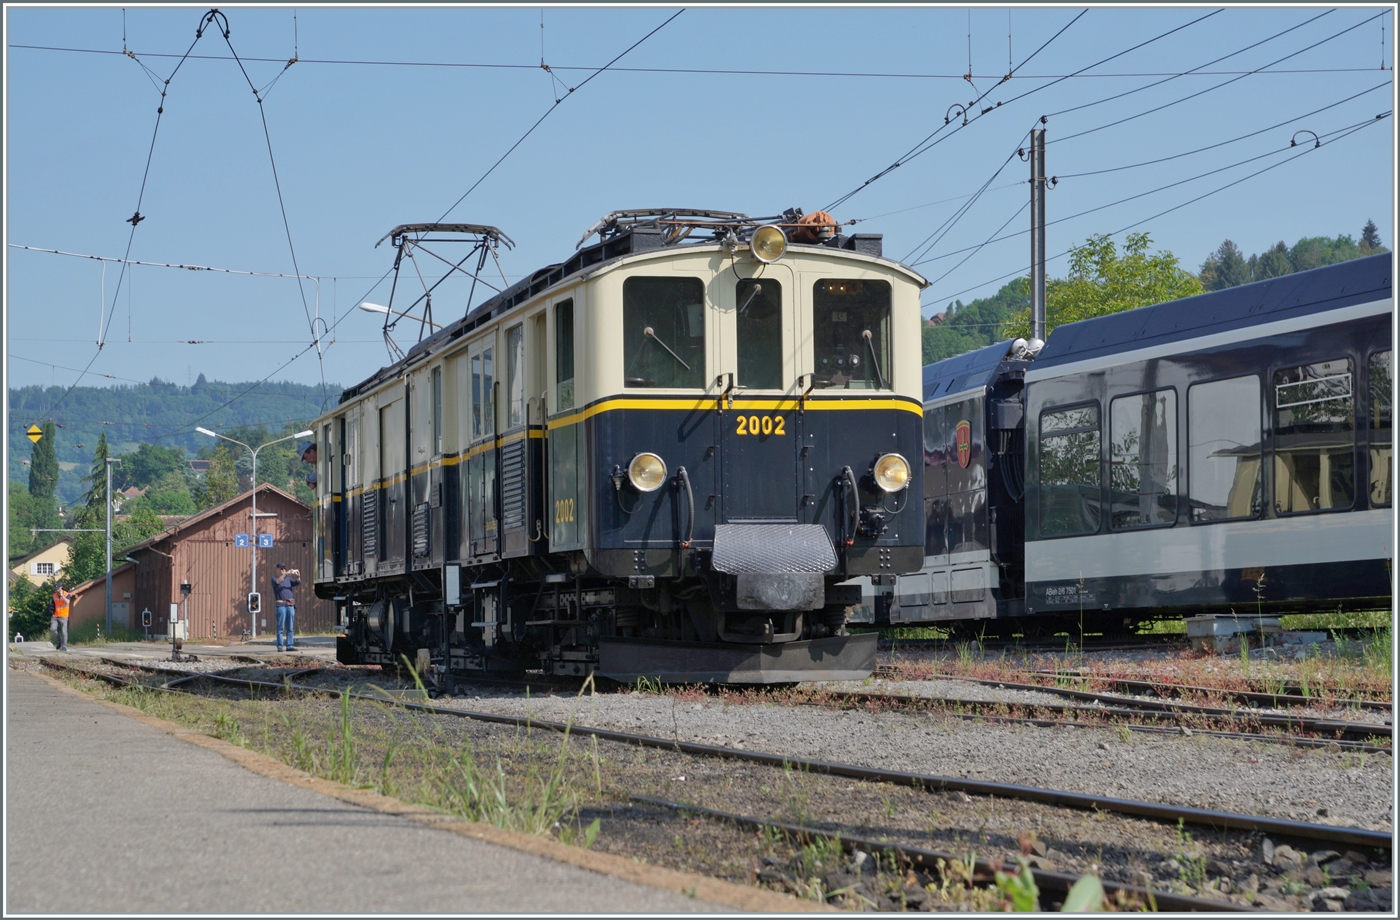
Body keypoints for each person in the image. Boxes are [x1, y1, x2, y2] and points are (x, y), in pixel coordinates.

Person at [271, 563, 300, 652]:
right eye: (281, 569)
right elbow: (277, 582)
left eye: (284, 568)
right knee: (280, 627)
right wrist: (286, 573)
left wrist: (298, 577)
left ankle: (290, 645)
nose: (283, 570)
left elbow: (297, 583)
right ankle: (280, 646)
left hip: (290, 605)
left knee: (290, 627)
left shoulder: (288, 579)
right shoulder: (275, 578)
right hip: (281, 605)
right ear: (277, 570)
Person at [50, 585, 74, 652]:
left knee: (64, 632)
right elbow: (52, 604)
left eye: (58, 588)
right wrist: (50, 610)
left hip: (64, 615)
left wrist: (62, 596)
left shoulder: (67, 594)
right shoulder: (54, 595)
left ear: (61, 587)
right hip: (55, 615)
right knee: (52, 629)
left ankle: (64, 646)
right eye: (56, 588)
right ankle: (59, 641)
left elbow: (68, 602)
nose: (57, 589)